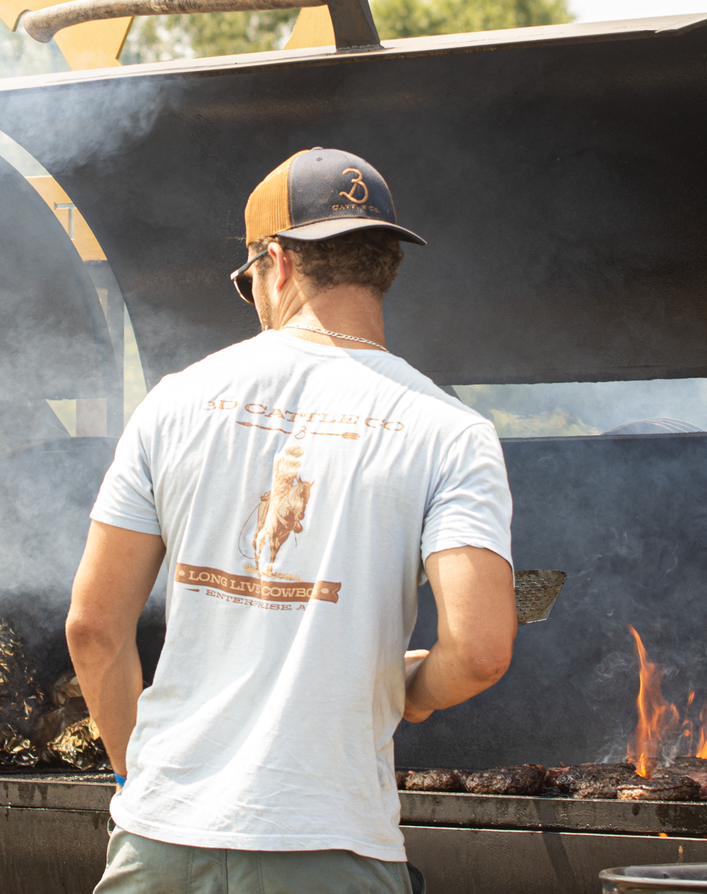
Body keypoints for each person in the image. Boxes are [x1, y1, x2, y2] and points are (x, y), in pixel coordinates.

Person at [67, 147, 519, 893]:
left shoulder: (174, 404)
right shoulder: (449, 431)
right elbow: (480, 651)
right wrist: (413, 689)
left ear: (275, 263)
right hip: (330, 844)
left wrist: (132, 778)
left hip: (163, 841)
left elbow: (93, 628)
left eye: (249, 285)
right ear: (383, 267)